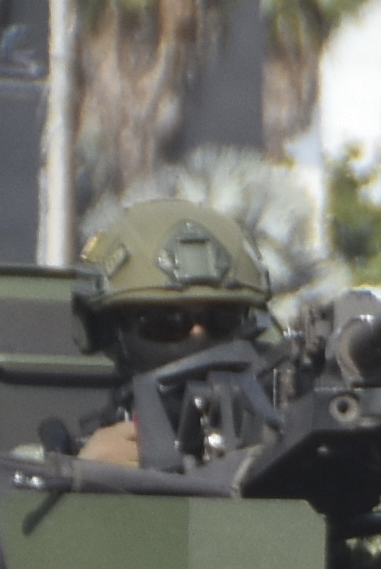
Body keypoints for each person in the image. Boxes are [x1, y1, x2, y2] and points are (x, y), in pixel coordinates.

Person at [62, 194, 283, 469]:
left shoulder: (281, 435)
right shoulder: (79, 461)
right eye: (167, 321)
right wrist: (83, 478)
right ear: (106, 330)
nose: (198, 334)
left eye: (222, 318)